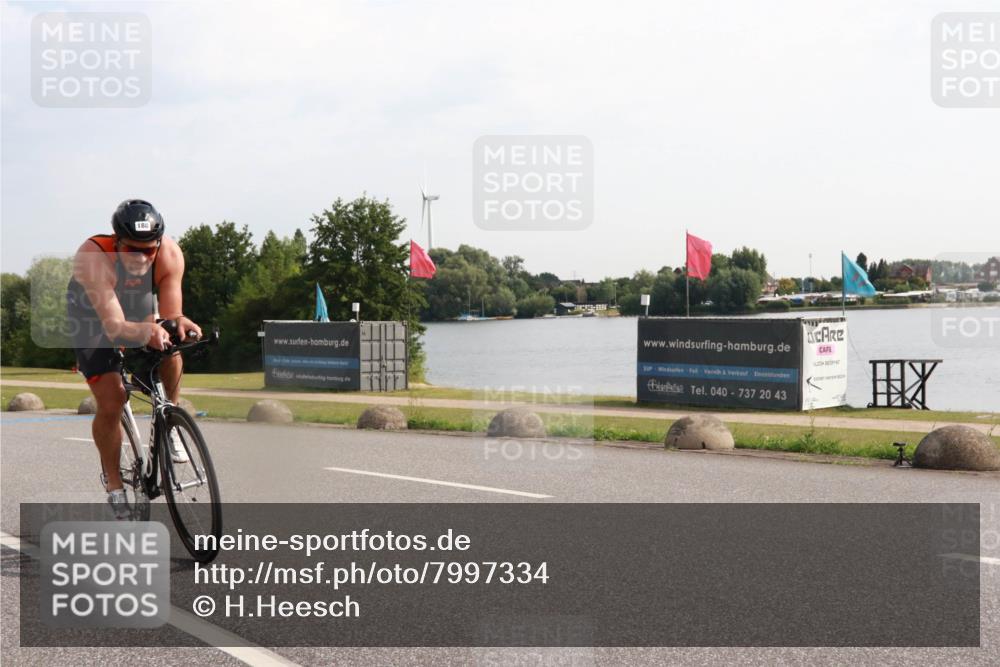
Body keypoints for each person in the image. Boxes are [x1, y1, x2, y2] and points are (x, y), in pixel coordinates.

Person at [66, 199, 202, 518]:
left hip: (135, 303)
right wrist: (146, 332)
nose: (142, 258)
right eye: (132, 250)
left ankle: (170, 420)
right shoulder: (94, 256)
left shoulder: (169, 253)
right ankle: (115, 486)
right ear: (116, 243)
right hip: (92, 316)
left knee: (170, 341)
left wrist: (179, 324)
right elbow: (113, 326)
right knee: (113, 399)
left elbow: (171, 314)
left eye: (149, 250)